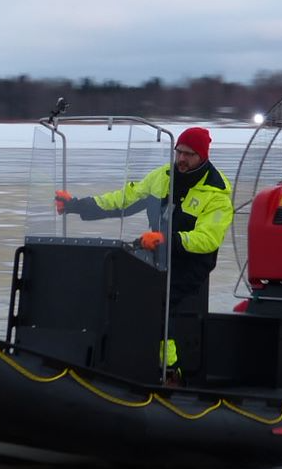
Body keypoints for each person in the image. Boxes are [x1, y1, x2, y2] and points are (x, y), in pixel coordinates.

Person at [55, 126, 233, 381]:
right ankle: (110, 359)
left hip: (191, 261)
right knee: (115, 287)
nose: (182, 159)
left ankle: (169, 371)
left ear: (203, 156)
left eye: (189, 154)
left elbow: (208, 239)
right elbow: (123, 199)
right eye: (179, 152)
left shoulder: (216, 192)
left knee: (158, 301)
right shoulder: (162, 176)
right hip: (157, 252)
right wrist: (76, 205)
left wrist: (167, 239)